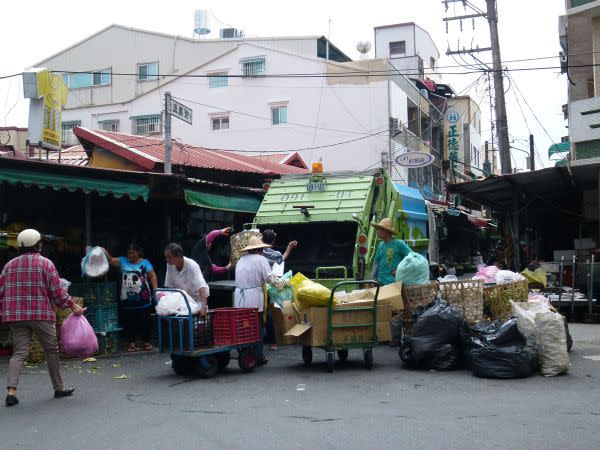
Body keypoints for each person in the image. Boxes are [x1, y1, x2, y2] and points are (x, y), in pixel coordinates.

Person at [0, 229, 84, 407]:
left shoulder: (9, 265)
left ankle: (11, 391)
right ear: (38, 245)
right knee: (51, 351)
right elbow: (58, 293)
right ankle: (59, 387)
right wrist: (72, 304)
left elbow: (1, 291)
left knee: (20, 352)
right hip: (41, 314)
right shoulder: (45, 263)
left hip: (16, 316)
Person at [103, 242, 158, 352]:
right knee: (130, 322)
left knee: (145, 321)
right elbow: (110, 260)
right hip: (127, 300)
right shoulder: (122, 261)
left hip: (144, 299)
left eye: (133, 253)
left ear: (138, 252)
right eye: (129, 253)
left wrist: (155, 290)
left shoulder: (145, 262)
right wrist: (104, 252)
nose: (130, 255)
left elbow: (152, 276)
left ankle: (146, 342)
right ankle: (131, 344)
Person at [234, 236, 274, 365]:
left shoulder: (241, 260)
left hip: (239, 297)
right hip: (253, 298)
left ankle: (244, 350)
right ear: (260, 249)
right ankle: (259, 355)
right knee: (257, 326)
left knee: (244, 325)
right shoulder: (261, 259)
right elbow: (269, 278)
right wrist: (282, 283)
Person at [163, 243, 209, 314]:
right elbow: (170, 287)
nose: (167, 260)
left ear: (178, 255)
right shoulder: (170, 265)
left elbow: (202, 289)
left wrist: (203, 308)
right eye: (166, 257)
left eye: (169, 257)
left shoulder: (192, 266)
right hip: (183, 301)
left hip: (197, 300)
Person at [371, 218, 412, 286]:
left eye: (379, 229)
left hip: (393, 284)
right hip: (380, 284)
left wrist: (401, 271)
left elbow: (413, 259)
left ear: (386, 231)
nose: (377, 232)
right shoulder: (380, 245)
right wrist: (372, 280)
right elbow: (376, 263)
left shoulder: (399, 244)